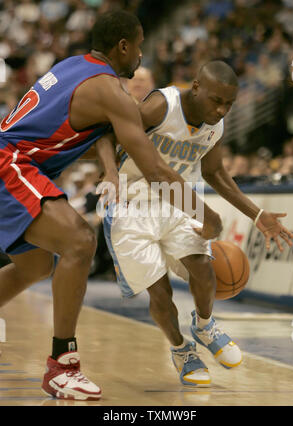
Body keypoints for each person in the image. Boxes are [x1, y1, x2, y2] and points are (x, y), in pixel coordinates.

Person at [0, 11, 222, 400]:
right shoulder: (110, 90)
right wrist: (209, 216)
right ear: (123, 46)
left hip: (16, 160)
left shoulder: (74, 67)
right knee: (79, 241)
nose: (140, 56)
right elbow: (155, 170)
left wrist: (109, 170)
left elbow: (96, 128)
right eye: (138, 47)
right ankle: (61, 367)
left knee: (35, 265)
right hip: (11, 164)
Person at [96, 60, 293, 387]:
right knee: (160, 293)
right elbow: (106, 130)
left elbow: (214, 173)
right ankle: (180, 349)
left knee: (204, 269)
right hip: (129, 206)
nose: (222, 109)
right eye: (217, 100)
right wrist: (111, 170)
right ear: (197, 87)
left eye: (229, 103)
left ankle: (204, 326)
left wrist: (257, 215)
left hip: (176, 204)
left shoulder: (213, 125)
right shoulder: (162, 105)